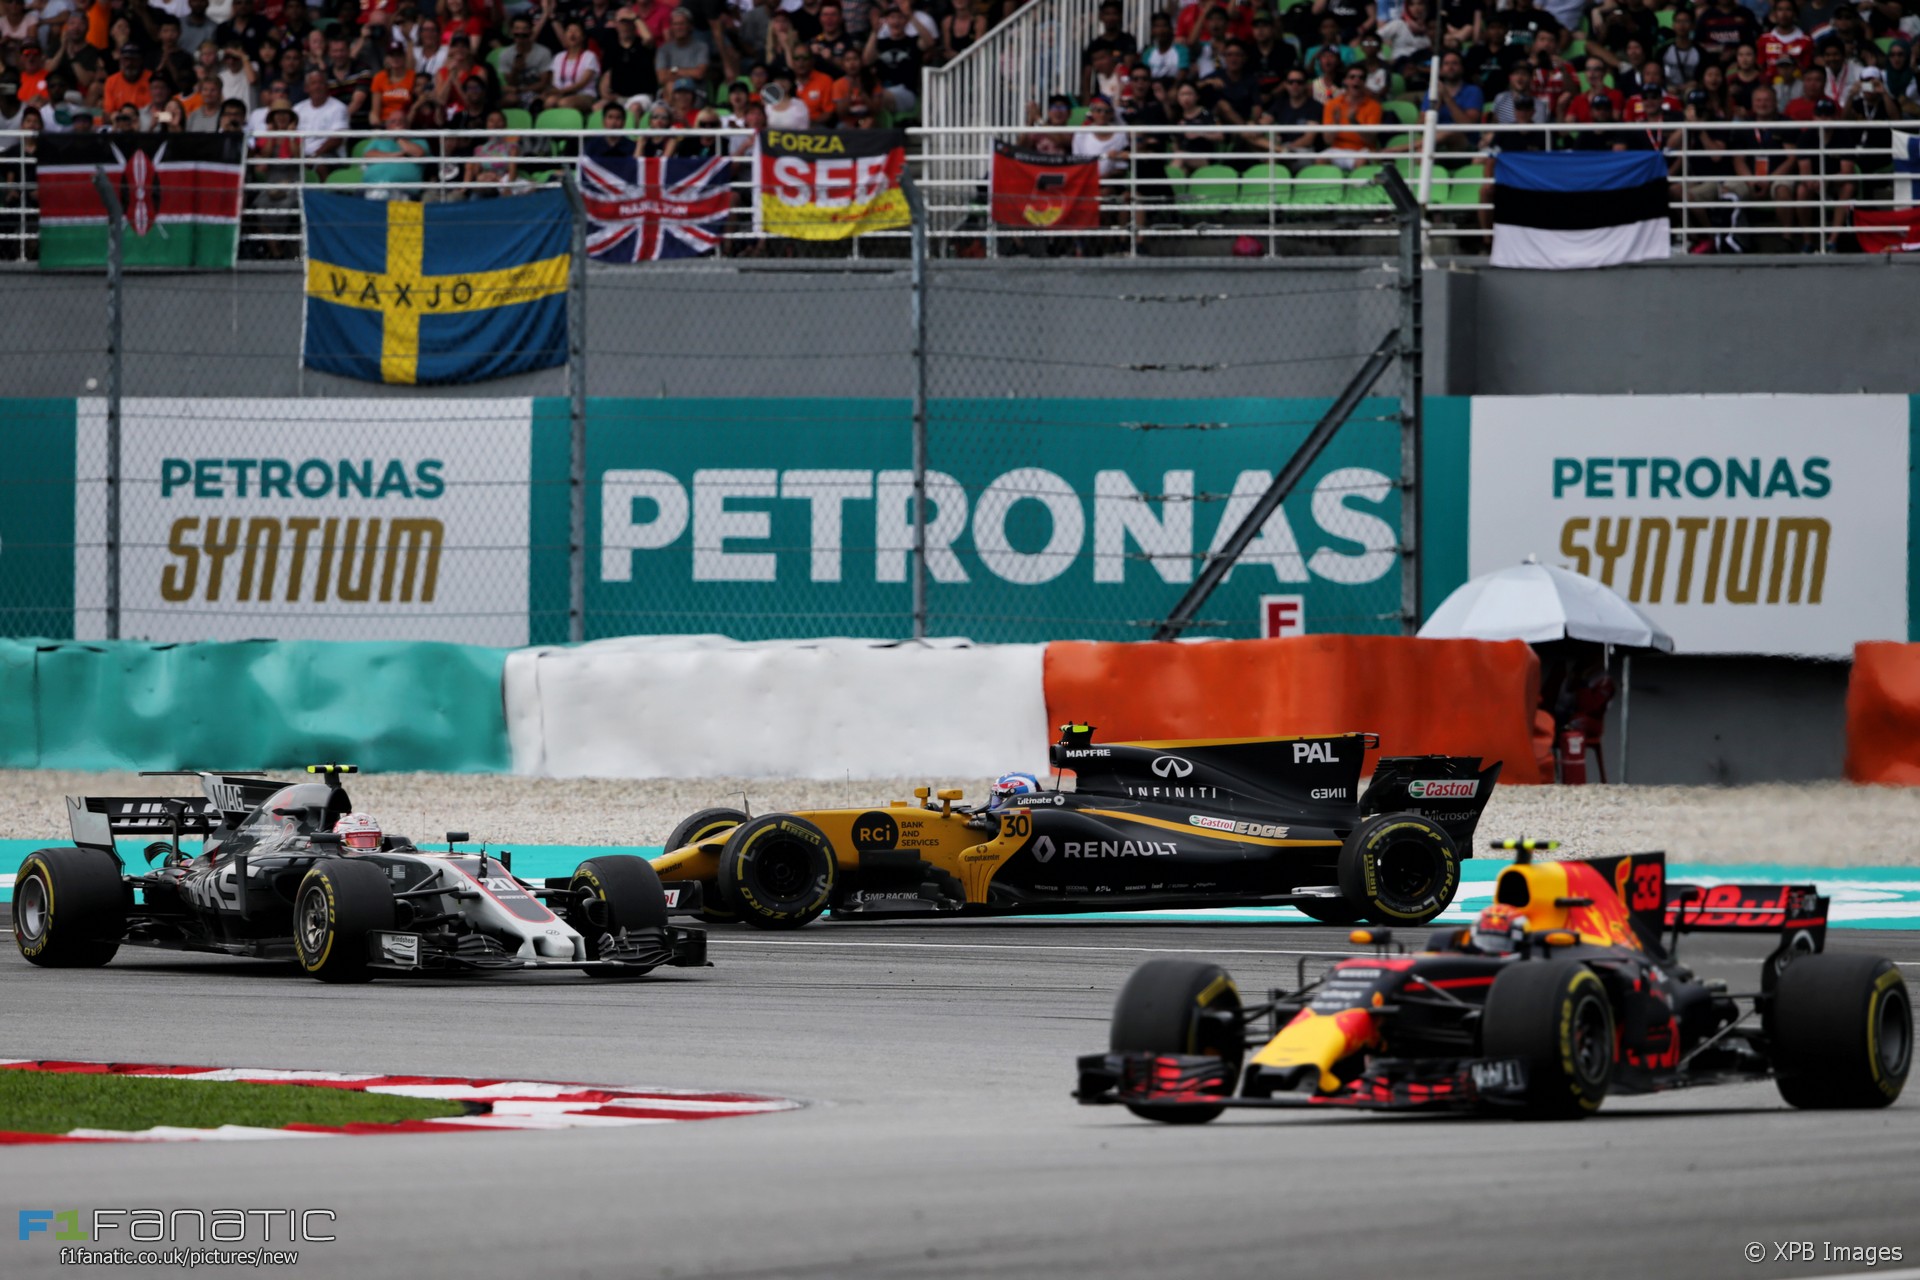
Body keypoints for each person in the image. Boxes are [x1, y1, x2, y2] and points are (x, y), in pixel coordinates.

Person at [1321, 62, 1381, 167]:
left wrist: (1355, 123)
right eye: (1352, 77)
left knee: (1361, 162)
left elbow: (1370, 139)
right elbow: (1327, 140)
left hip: (1362, 150)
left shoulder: (1374, 106)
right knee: (1320, 159)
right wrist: (1336, 123)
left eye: (1361, 78)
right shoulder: (1332, 104)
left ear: (1365, 82)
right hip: (1338, 149)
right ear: (1345, 81)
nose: (1356, 80)